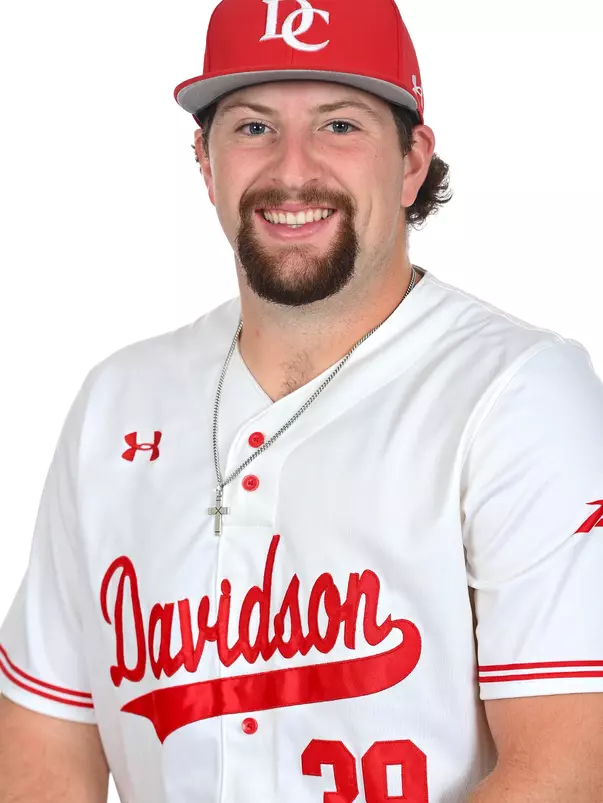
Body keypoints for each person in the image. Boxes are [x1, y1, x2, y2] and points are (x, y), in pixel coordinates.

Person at [1, 0, 602, 800]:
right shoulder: (120, 398)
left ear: (412, 159)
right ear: (205, 163)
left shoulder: (518, 392)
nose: (291, 169)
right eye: (252, 127)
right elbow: (46, 739)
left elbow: (566, 765)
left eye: (339, 125)